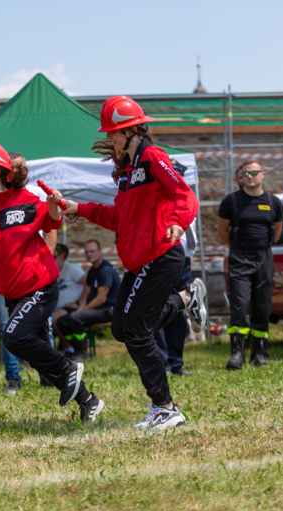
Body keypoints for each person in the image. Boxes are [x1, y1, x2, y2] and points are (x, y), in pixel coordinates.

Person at [62, 96, 207, 430]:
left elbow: (185, 196)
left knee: (138, 333)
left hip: (161, 255)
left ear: (130, 130)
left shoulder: (153, 158)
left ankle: (165, 408)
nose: (109, 138)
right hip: (139, 261)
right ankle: (187, 299)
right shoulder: (127, 171)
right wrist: (78, 207)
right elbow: (119, 217)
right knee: (121, 328)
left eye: (113, 132)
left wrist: (177, 222)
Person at [0, 139, 104, 423]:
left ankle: (70, 367)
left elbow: (53, 222)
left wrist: (54, 205)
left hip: (41, 287)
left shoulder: (25, 199)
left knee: (13, 337)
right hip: (11, 293)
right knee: (38, 359)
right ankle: (88, 400)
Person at [0, 152, 58, 394]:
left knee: (45, 326)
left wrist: (43, 261)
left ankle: (49, 373)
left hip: (35, 275)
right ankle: (14, 377)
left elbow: (51, 229)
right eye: (14, 167)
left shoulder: (36, 195)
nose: (19, 171)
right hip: (6, 277)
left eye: (22, 167)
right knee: (7, 326)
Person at [217, 160, 283, 370]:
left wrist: (263, 247)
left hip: (264, 257)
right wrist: (239, 247)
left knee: (262, 307)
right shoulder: (231, 201)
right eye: (246, 173)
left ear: (263, 174)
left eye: (255, 172)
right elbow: (222, 232)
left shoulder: (273, 201)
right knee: (241, 305)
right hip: (239, 257)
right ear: (241, 177)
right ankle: (237, 353)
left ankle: (259, 353)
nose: (251, 176)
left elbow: (277, 232)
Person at [55, 240, 120, 361]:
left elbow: (101, 299)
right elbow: (88, 293)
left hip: (109, 310)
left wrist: (80, 311)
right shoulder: (93, 271)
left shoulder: (105, 270)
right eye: (86, 252)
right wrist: (79, 307)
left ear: (100, 252)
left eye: (92, 251)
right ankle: (73, 350)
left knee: (75, 317)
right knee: (61, 321)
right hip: (96, 308)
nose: (89, 254)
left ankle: (82, 353)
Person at [155, 219, 199, 376]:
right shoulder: (163, 199)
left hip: (184, 262)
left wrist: (188, 254)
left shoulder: (189, 202)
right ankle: (163, 365)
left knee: (179, 313)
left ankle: (176, 364)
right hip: (163, 259)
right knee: (160, 309)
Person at [51, 243, 87, 356]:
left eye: (53, 257)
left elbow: (88, 285)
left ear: (62, 256)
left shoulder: (72, 268)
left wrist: (79, 304)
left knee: (53, 318)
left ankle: (69, 349)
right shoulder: (51, 269)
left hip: (70, 308)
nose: (50, 259)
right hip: (57, 308)